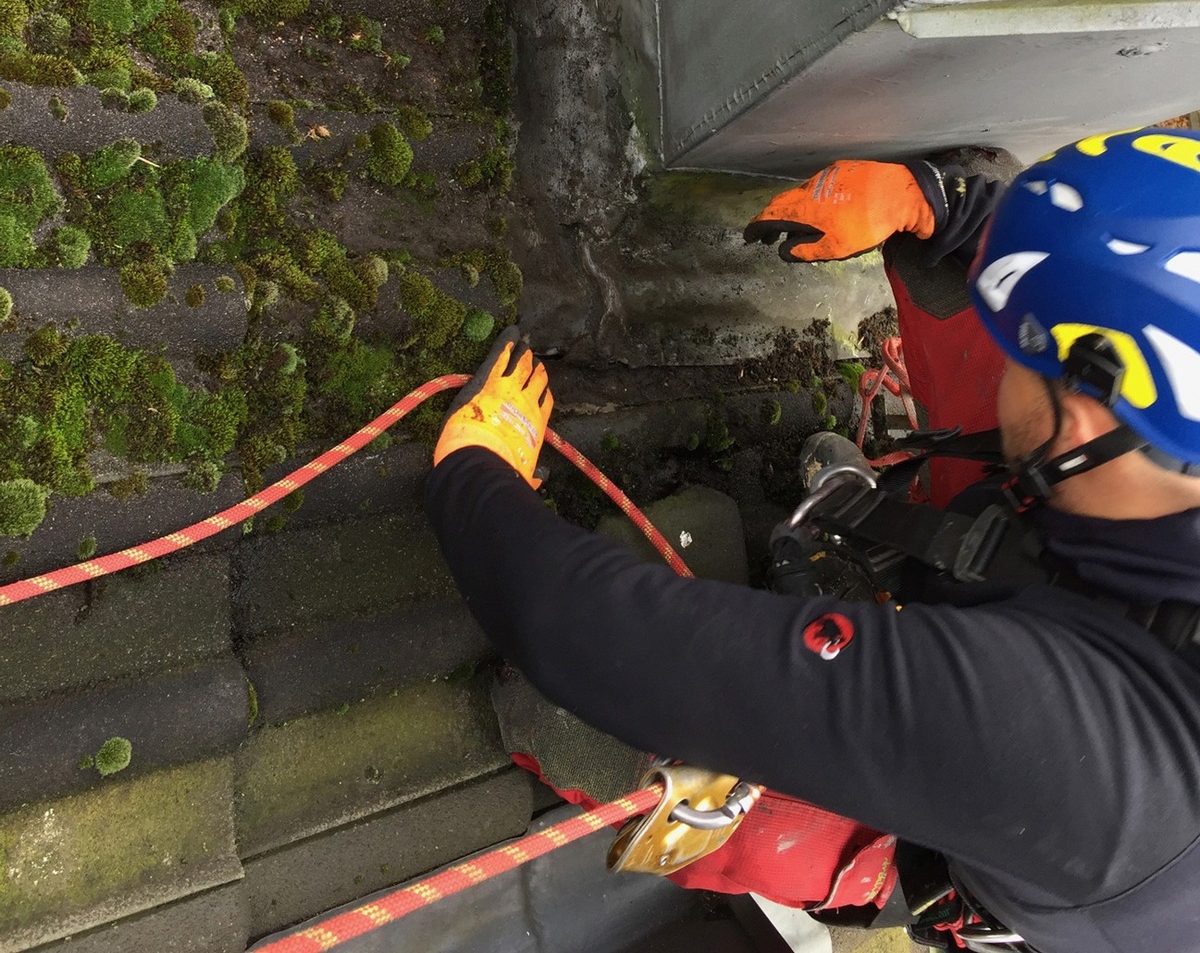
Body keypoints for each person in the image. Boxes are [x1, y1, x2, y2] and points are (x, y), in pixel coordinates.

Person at [424, 129, 1200, 953]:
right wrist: (938, 206)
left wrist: (471, 475)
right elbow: (1075, 291)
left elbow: (602, 640)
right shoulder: (1144, 452)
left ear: (1082, 424)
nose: (1009, 356)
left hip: (985, 838)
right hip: (1063, 591)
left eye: (1024, 355)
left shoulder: (1067, 741)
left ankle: (795, 847)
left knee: (654, 766)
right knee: (979, 343)